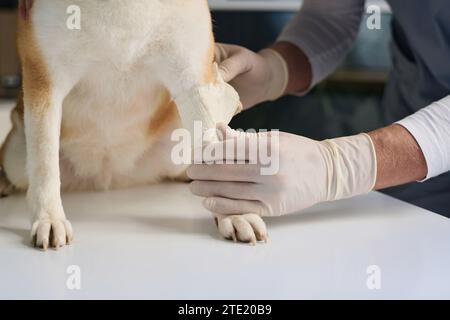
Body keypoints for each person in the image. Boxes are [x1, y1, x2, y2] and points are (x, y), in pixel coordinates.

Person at [188, 0, 450, 217]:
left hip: (407, 150)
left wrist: (340, 166)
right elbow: (330, 18)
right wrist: (275, 71)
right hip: (408, 153)